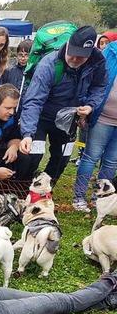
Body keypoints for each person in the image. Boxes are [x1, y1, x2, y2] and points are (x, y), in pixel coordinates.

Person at [19, 26, 108, 181]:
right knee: (34, 155)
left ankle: (47, 189)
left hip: (69, 117)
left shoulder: (97, 62)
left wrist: (90, 106)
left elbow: (100, 86)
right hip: (42, 115)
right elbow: (34, 100)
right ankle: (23, 190)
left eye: (81, 57)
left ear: (90, 53)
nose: (75, 59)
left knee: (62, 158)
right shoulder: (49, 64)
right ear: (68, 45)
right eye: (73, 54)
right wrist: (28, 134)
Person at [72, 40, 117, 212]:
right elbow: (93, 82)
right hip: (102, 116)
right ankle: (79, 197)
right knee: (91, 156)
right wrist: (87, 108)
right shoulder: (110, 52)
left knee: (112, 161)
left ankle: (100, 197)